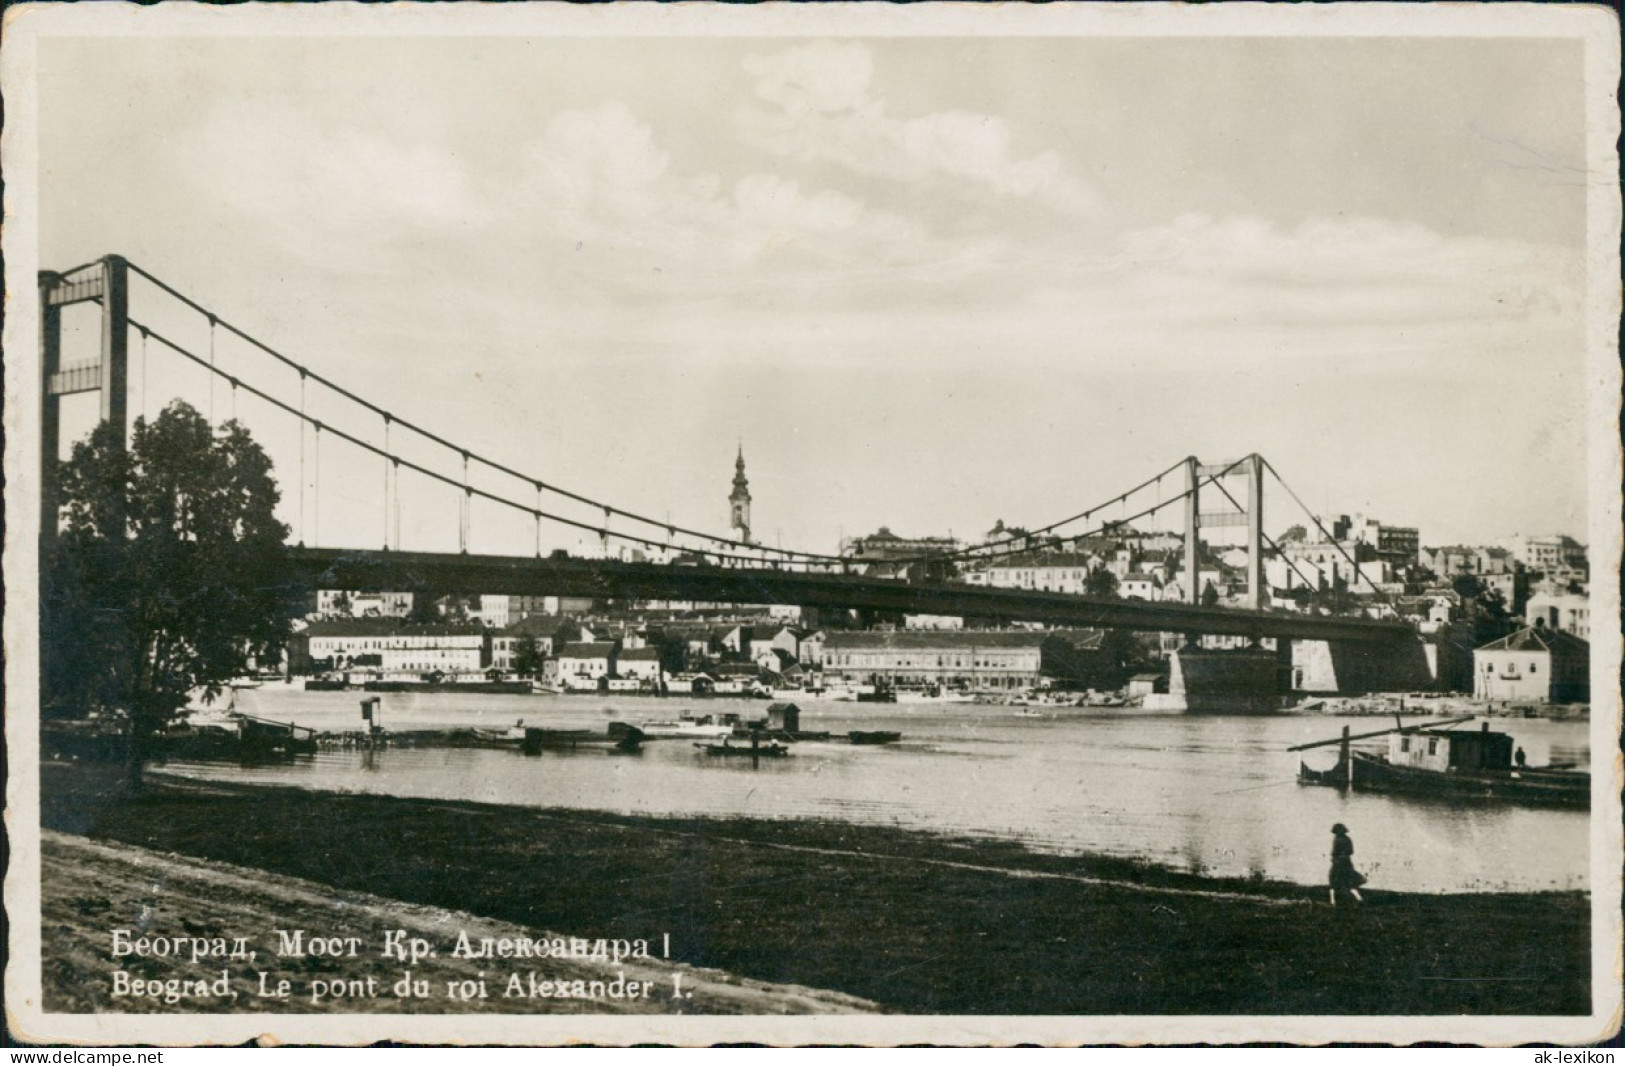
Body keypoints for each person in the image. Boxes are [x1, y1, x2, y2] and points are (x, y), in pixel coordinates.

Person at [1328, 823, 1365, 907]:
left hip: (1337, 863)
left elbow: (1334, 852)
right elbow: (1351, 851)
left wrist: (1334, 858)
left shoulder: (1336, 839)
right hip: (1347, 862)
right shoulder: (1348, 839)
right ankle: (1359, 898)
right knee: (1348, 882)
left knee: (1333, 881)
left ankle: (1332, 902)